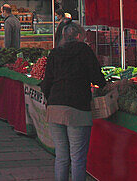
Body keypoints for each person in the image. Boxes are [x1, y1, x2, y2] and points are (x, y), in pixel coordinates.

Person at [40, 22, 105, 181]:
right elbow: (97, 77)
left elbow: (46, 82)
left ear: (63, 36)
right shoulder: (84, 51)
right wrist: (104, 86)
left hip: (55, 107)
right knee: (77, 158)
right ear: (79, 36)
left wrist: (49, 98)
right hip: (77, 108)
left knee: (61, 156)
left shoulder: (55, 53)